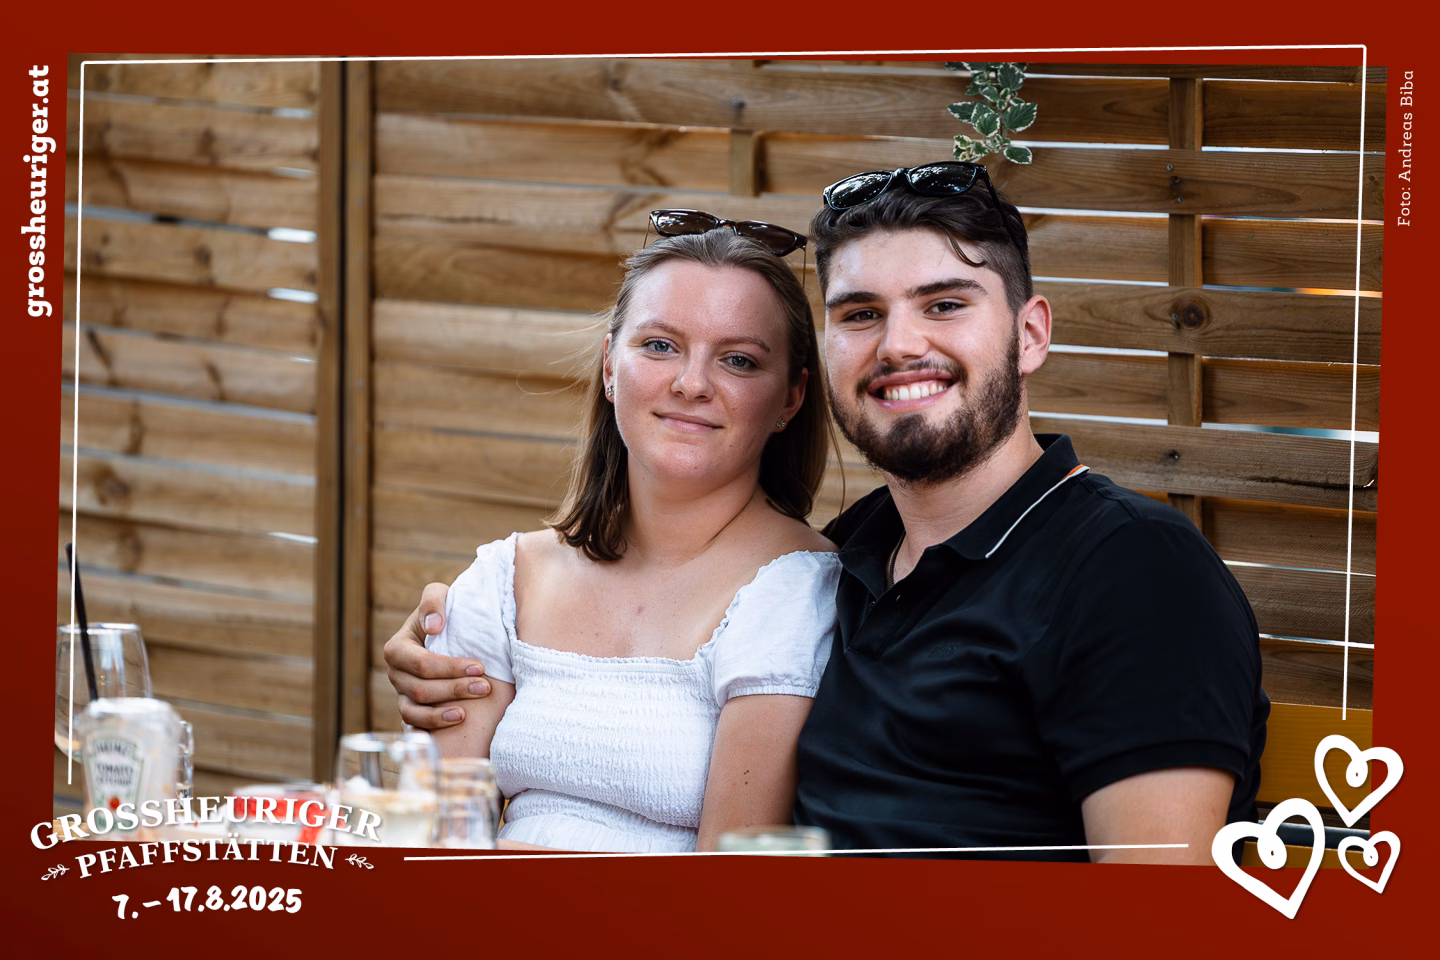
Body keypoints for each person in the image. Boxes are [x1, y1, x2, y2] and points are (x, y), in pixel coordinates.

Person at [386, 164, 1269, 864]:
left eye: (944, 304)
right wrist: (448, 628)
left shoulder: (1133, 569)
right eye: (861, 313)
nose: (900, 344)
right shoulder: (854, 557)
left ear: (1030, 333)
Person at [415, 216, 840, 853]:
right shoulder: (502, 580)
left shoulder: (795, 590)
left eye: (739, 360)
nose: (691, 384)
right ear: (611, 365)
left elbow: (733, 884)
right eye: (660, 346)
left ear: (790, 398)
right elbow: (432, 848)